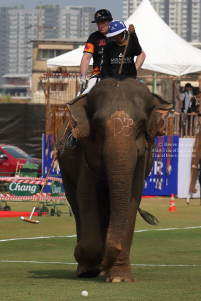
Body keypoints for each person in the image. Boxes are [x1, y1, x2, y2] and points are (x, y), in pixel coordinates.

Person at [79, 9, 113, 94]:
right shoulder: (93, 37)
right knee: (83, 95)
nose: (100, 25)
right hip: (98, 74)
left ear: (110, 21)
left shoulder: (120, 34)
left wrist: (133, 70)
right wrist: (83, 76)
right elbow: (86, 58)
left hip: (118, 73)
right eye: (98, 23)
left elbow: (141, 54)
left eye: (103, 23)